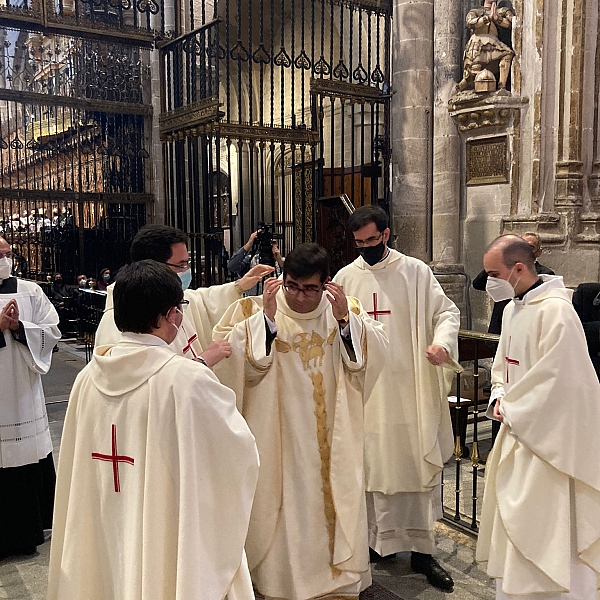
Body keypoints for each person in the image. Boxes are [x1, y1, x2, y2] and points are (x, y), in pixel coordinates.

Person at [47, 260, 259, 600]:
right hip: (163, 523)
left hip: (105, 513)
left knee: (111, 568)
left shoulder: (87, 380)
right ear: (171, 316)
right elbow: (238, 455)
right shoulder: (186, 380)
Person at [213, 243, 388, 600]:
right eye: (292, 285)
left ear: (326, 284)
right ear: (282, 279)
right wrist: (267, 320)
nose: (301, 296)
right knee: (284, 506)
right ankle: (284, 584)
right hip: (279, 439)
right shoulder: (253, 309)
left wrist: (344, 322)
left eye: (310, 288)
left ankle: (336, 582)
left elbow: (370, 358)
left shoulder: (344, 310)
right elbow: (237, 364)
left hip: (334, 438)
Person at [333, 205, 460, 592]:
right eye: (359, 243)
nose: (366, 248)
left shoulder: (415, 272)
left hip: (411, 388)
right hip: (367, 392)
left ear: (386, 234)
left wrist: (441, 344)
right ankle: (375, 544)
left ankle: (422, 552)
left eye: (372, 240)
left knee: (411, 461)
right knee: (372, 465)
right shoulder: (345, 277)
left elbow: (447, 313)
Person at [476, 235, 600, 599]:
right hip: (517, 432)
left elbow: (560, 385)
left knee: (547, 526)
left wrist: (513, 409)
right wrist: (499, 393)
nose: (489, 283)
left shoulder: (557, 313)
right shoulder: (515, 307)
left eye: (493, 274)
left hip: (550, 446)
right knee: (517, 525)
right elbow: (504, 366)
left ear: (518, 269)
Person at [95, 224, 272, 368]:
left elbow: (202, 300)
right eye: (181, 265)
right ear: (154, 267)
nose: (186, 271)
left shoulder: (170, 301)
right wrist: (203, 361)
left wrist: (239, 286)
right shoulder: (119, 321)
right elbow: (144, 388)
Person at [0, 235, 61, 559]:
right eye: (0, 254)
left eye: (8, 253)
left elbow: (52, 330)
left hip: (22, 391)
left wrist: (21, 328)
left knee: (24, 457)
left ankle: (29, 532)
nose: (5, 260)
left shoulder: (30, 291)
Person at [472, 231, 555, 335]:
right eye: (521, 245)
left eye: (530, 247)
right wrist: (494, 266)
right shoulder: (509, 308)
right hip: (500, 323)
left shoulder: (544, 274)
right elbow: (478, 284)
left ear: (538, 252)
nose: (524, 250)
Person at [228, 228, 285, 295]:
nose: (269, 245)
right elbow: (231, 266)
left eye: (273, 243)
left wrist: (279, 260)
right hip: (253, 302)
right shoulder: (251, 260)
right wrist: (249, 244)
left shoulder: (282, 262)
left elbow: (291, 277)